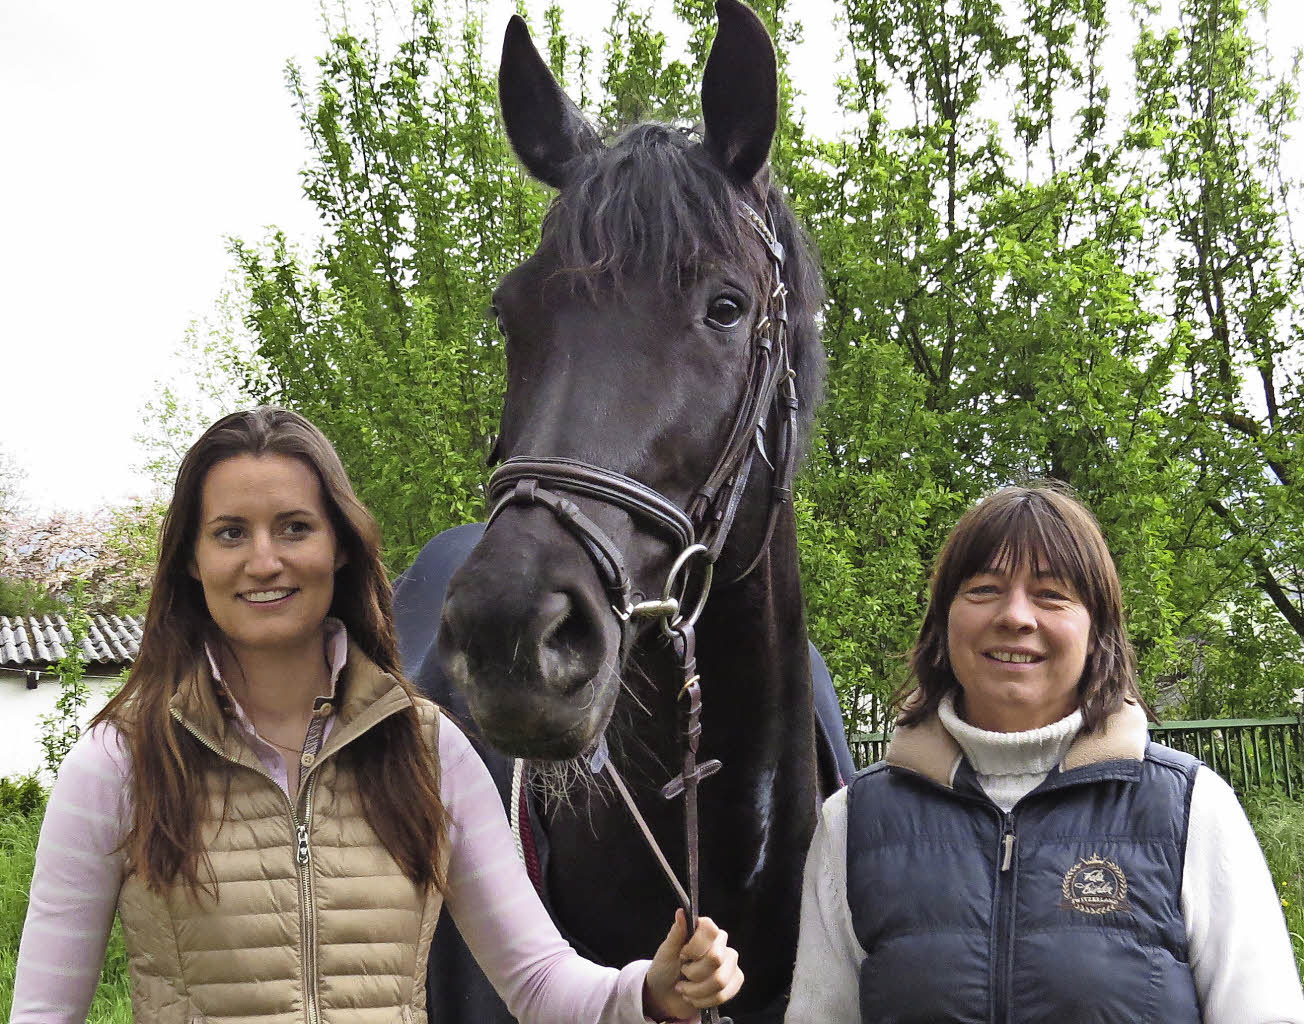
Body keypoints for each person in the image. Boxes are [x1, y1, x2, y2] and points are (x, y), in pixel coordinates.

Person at [13, 406, 743, 1023]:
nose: (264, 560)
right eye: (231, 532)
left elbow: (539, 980)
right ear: (191, 561)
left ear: (339, 548)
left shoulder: (427, 751)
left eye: (295, 528)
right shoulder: (123, 761)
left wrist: (649, 988)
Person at [785, 485, 1304, 1023]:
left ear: (1096, 629)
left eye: (1051, 594)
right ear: (944, 623)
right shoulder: (854, 822)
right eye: (984, 588)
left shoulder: (1190, 809)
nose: (1015, 616)